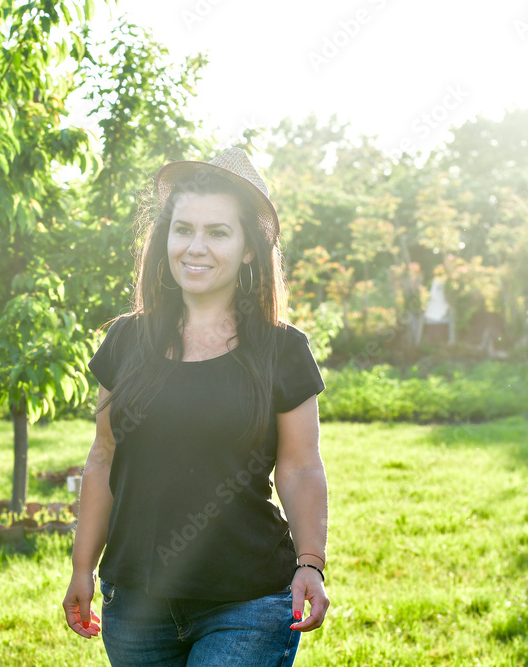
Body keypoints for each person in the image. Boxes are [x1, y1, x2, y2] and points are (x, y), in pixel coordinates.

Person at [62, 147, 329, 666]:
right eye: (183, 229)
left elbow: (300, 467)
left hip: (248, 601)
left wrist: (311, 564)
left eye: (218, 232)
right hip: (135, 603)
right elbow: (103, 459)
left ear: (250, 249)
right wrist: (82, 567)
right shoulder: (125, 341)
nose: (195, 247)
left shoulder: (283, 351)